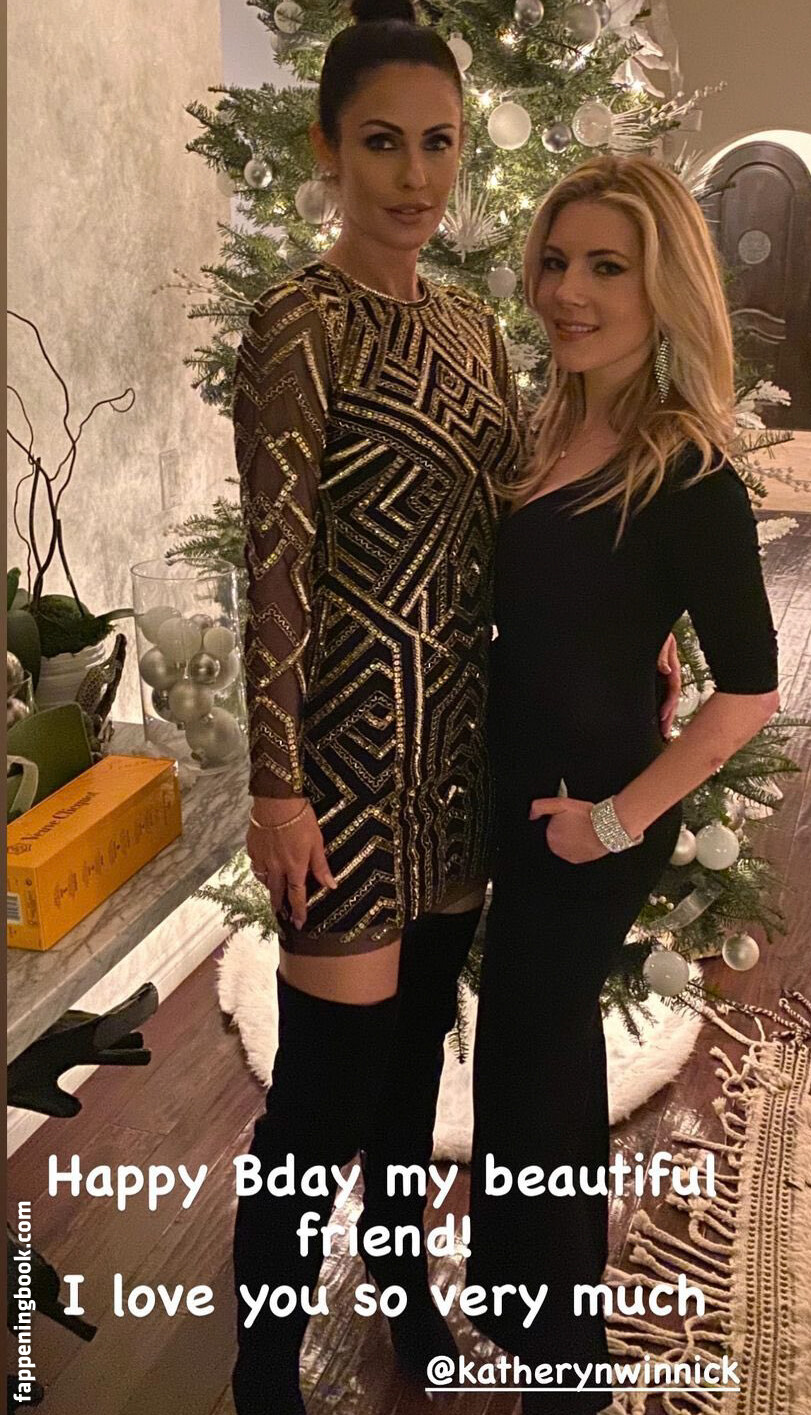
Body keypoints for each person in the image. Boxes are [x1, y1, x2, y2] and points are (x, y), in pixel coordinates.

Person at [232, 3, 679, 1404]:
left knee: (417, 1058)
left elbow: (519, 520)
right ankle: (261, 1362)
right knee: (322, 1091)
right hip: (342, 770)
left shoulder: (478, 330)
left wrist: (630, 636)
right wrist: (275, 786)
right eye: (383, 143)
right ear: (329, 148)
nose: (415, 176)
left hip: (459, 764)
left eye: (437, 143)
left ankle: (408, 1301)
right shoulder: (297, 326)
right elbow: (273, 573)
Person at [467, 154, 780, 1414]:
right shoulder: (549, 426)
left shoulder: (685, 468)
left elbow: (748, 694)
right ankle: (521, 1307)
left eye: (607, 266)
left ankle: (567, 1368)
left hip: (590, 811)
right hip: (524, 786)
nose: (569, 292)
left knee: (538, 1060)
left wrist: (611, 821)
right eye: (555, 262)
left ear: (664, 288)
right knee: (520, 1051)